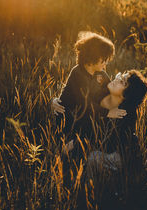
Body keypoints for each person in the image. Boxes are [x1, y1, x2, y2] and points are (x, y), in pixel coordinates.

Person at [52, 32, 127, 161]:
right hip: (71, 121)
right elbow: (84, 104)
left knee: (103, 124)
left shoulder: (101, 74)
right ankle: (70, 145)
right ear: (93, 58)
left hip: (88, 118)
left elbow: (110, 93)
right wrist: (108, 112)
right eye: (104, 60)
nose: (105, 64)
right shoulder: (77, 73)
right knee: (94, 123)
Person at [87, 69, 147, 180]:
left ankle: (88, 191)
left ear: (126, 95)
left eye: (122, 82)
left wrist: (80, 143)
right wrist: (53, 101)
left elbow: (108, 144)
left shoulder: (124, 115)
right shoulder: (104, 92)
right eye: (120, 75)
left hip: (119, 156)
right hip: (100, 147)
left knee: (93, 158)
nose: (117, 79)